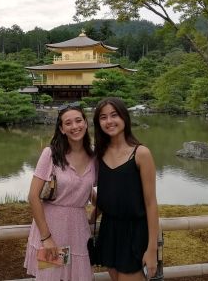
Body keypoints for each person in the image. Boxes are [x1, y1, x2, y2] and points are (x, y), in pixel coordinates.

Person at [24, 102, 96, 280]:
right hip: (53, 227)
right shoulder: (51, 154)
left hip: (79, 230)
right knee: (52, 276)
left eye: (78, 121)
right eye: (68, 123)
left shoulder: (94, 157)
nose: (75, 126)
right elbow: (33, 197)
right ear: (62, 129)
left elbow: (87, 190)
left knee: (79, 276)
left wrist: (94, 216)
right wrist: (46, 237)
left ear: (85, 123)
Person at [92, 97, 159, 281]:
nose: (109, 121)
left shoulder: (140, 153)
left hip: (134, 232)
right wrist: (91, 216)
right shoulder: (99, 153)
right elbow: (90, 186)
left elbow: (151, 203)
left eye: (114, 115)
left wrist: (152, 248)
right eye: (103, 117)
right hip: (108, 229)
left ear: (124, 117)